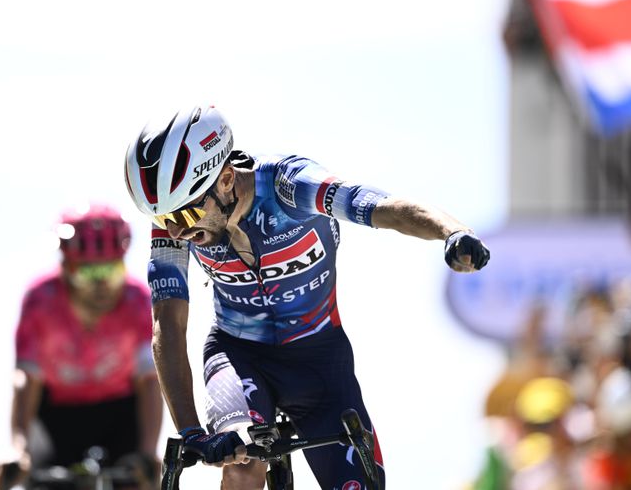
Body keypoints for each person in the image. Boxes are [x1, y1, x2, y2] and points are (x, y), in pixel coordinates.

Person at [124, 106, 490, 489]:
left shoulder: (290, 186)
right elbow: (168, 323)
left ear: (226, 179)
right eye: (163, 220)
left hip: (318, 359)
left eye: (184, 217)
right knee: (243, 461)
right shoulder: (173, 228)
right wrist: (191, 431)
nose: (176, 232)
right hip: (237, 355)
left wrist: (452, 231)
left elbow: (385, 208)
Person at [0, 204, 163, 490]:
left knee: (138, 479)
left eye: (110, 271)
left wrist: (148, 452)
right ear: (65, 268)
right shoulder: (40, 301)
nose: (101, 286)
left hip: (120, 413)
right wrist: (17, 448)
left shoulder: (137, 301)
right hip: (56, 415)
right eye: (88, 273)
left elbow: (148, 381)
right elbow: (26, 379)